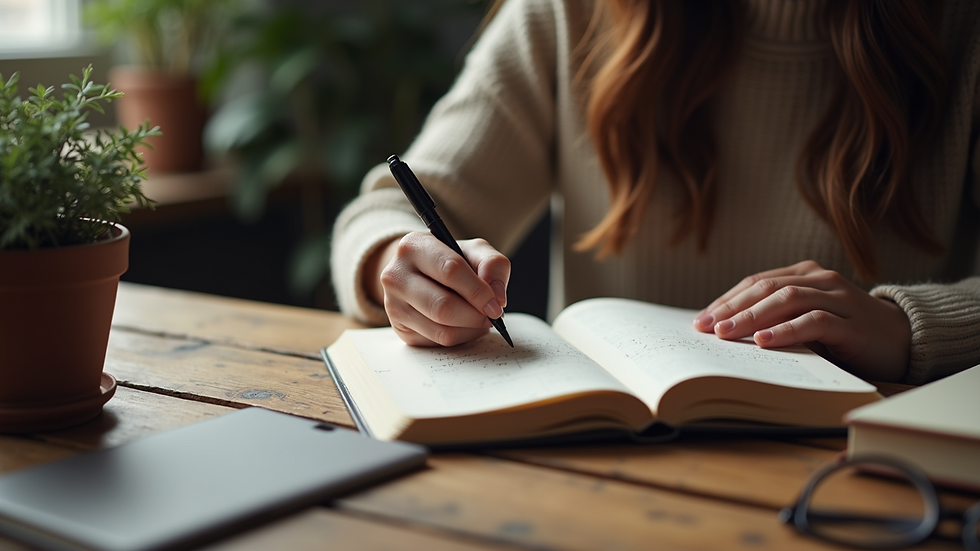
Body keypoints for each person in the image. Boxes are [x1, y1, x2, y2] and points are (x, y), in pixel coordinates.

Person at [331, 0, 980, 386]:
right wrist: (395, 260)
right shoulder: (573, 13)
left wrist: (909, 326)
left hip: (869, 468)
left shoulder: (959, 28)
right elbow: (382, 213)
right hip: (598, 465)